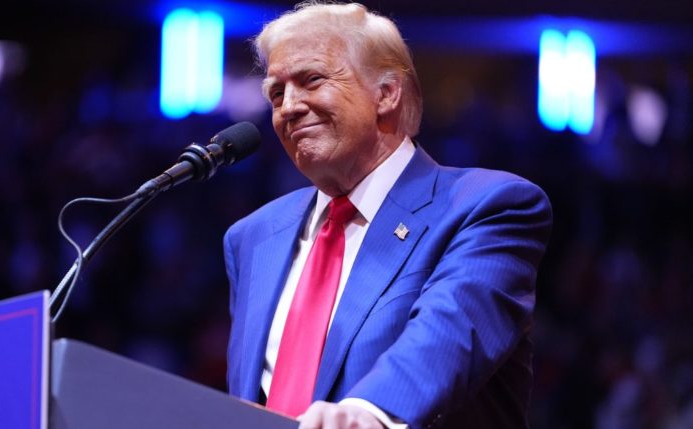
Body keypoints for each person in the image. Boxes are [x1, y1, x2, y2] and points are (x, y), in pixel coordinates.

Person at [222, 2, 552, 428]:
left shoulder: (487, 206)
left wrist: (368, 413)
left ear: (386, 94)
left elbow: (447, 333)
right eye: (276, 92)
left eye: (311, 80)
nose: (288, 106)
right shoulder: (252, 237)